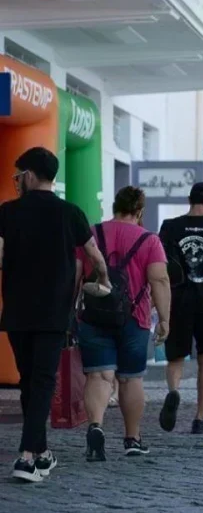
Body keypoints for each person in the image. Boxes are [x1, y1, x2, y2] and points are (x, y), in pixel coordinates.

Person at [0, 147, 108, 482]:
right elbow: (95, 256)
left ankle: (39, 454)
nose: (17, 181)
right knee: (43, 380)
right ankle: (28, 457)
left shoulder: (8, 211)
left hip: (17, 309)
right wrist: (103, 281)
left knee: (29, 380)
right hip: (53, 311)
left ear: (30, 175)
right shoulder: (70, 212)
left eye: (19, 175)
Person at [75, 186, 170, 462]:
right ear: (139, 211)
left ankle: (96, 425)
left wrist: (70, 310)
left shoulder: (92, 233)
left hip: (94, 314)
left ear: (114, 206)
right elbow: (160, 280)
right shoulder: (149, 240)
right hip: (135, 318)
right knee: (130, 378)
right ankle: (132, 438)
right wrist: (164, 319)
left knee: (98, 376)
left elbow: (76, 273)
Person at [157, 182, 203, 435]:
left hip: (177, 301)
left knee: (175, 357)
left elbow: (161, 263)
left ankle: (174, 391)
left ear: (189, 200)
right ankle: (199, 418)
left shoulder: (170, 227)